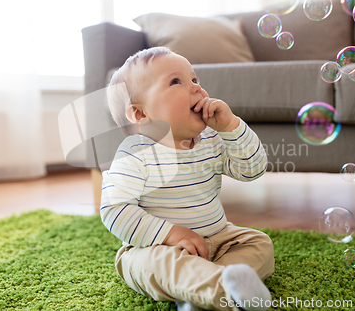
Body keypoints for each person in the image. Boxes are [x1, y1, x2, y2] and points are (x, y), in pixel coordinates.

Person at [100, 46, 274, 311]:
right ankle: (218, 290)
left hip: (218, 239)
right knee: (146, 264)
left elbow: (252, 170)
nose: (195, 88)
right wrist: (171, 234)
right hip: (157, 247)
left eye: (195, 80)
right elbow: (114, 209)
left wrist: (231, 127)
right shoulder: (136, 153)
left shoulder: (212, 140)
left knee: (259, 243)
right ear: (141, 114)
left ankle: (203, 291)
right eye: (175, 82)